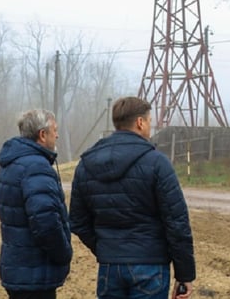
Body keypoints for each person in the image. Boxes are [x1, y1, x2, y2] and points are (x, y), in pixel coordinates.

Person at [69, 96, 195, 299]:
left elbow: (77, 220)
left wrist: (106, 247)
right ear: (140, 122)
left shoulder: (86, 165)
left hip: (109, 267)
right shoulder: (158, 163)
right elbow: (177, 222)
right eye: (149, 122)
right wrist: (184, 274)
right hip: (151, 266)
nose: (150, 127)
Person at [0, 109, 72, 299]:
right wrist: (64, 253)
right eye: (54, 130)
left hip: (17, 266)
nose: (57, 134)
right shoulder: (36, 167)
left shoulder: (12, 163)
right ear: (42, 134)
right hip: (34, 272)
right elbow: (46, 222)